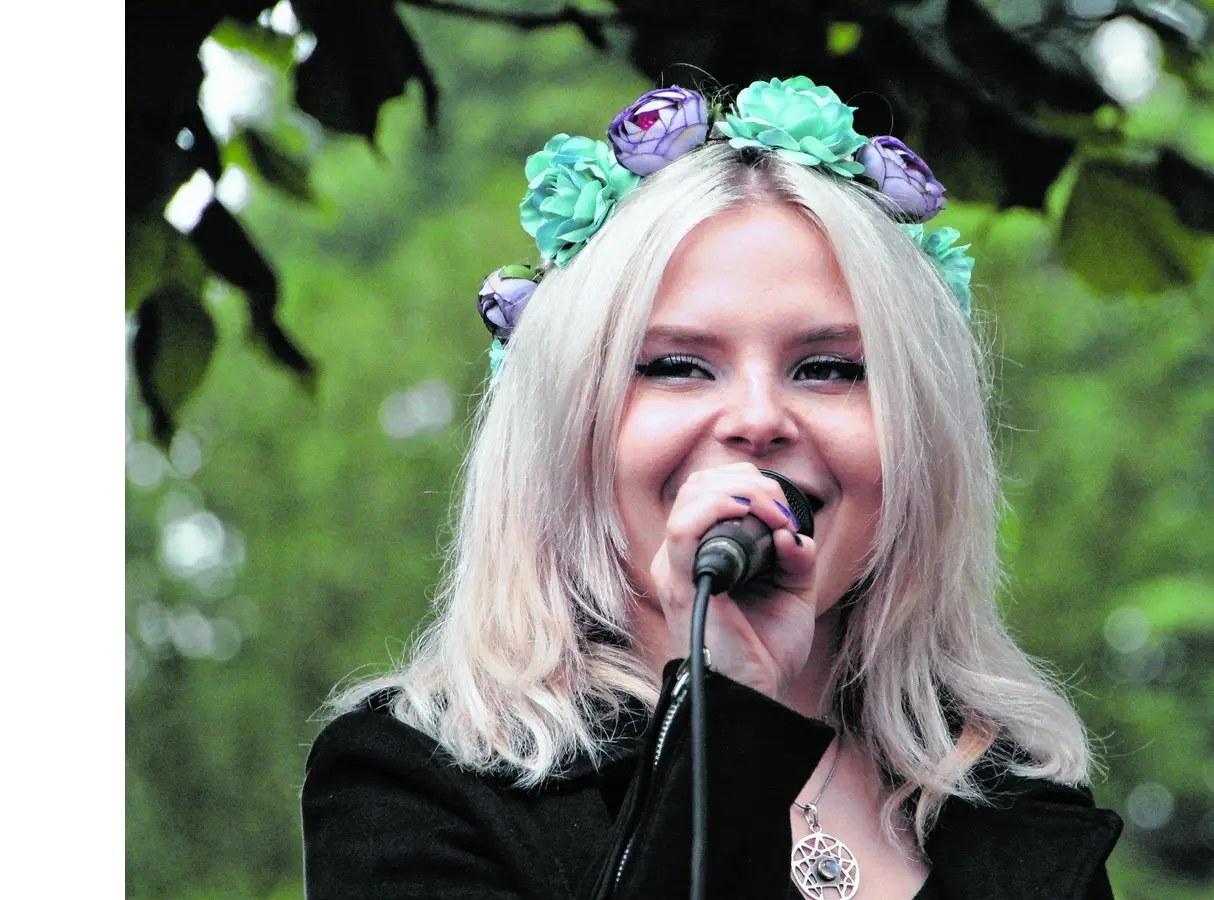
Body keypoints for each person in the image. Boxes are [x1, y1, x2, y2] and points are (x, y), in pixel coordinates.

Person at [302, 77, 1122, 900]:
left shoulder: (1019, 805)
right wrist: (724, 719)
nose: (759, 418)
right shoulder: (418, 786)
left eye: (830, 368)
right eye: (677, 367)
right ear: (565, 436)